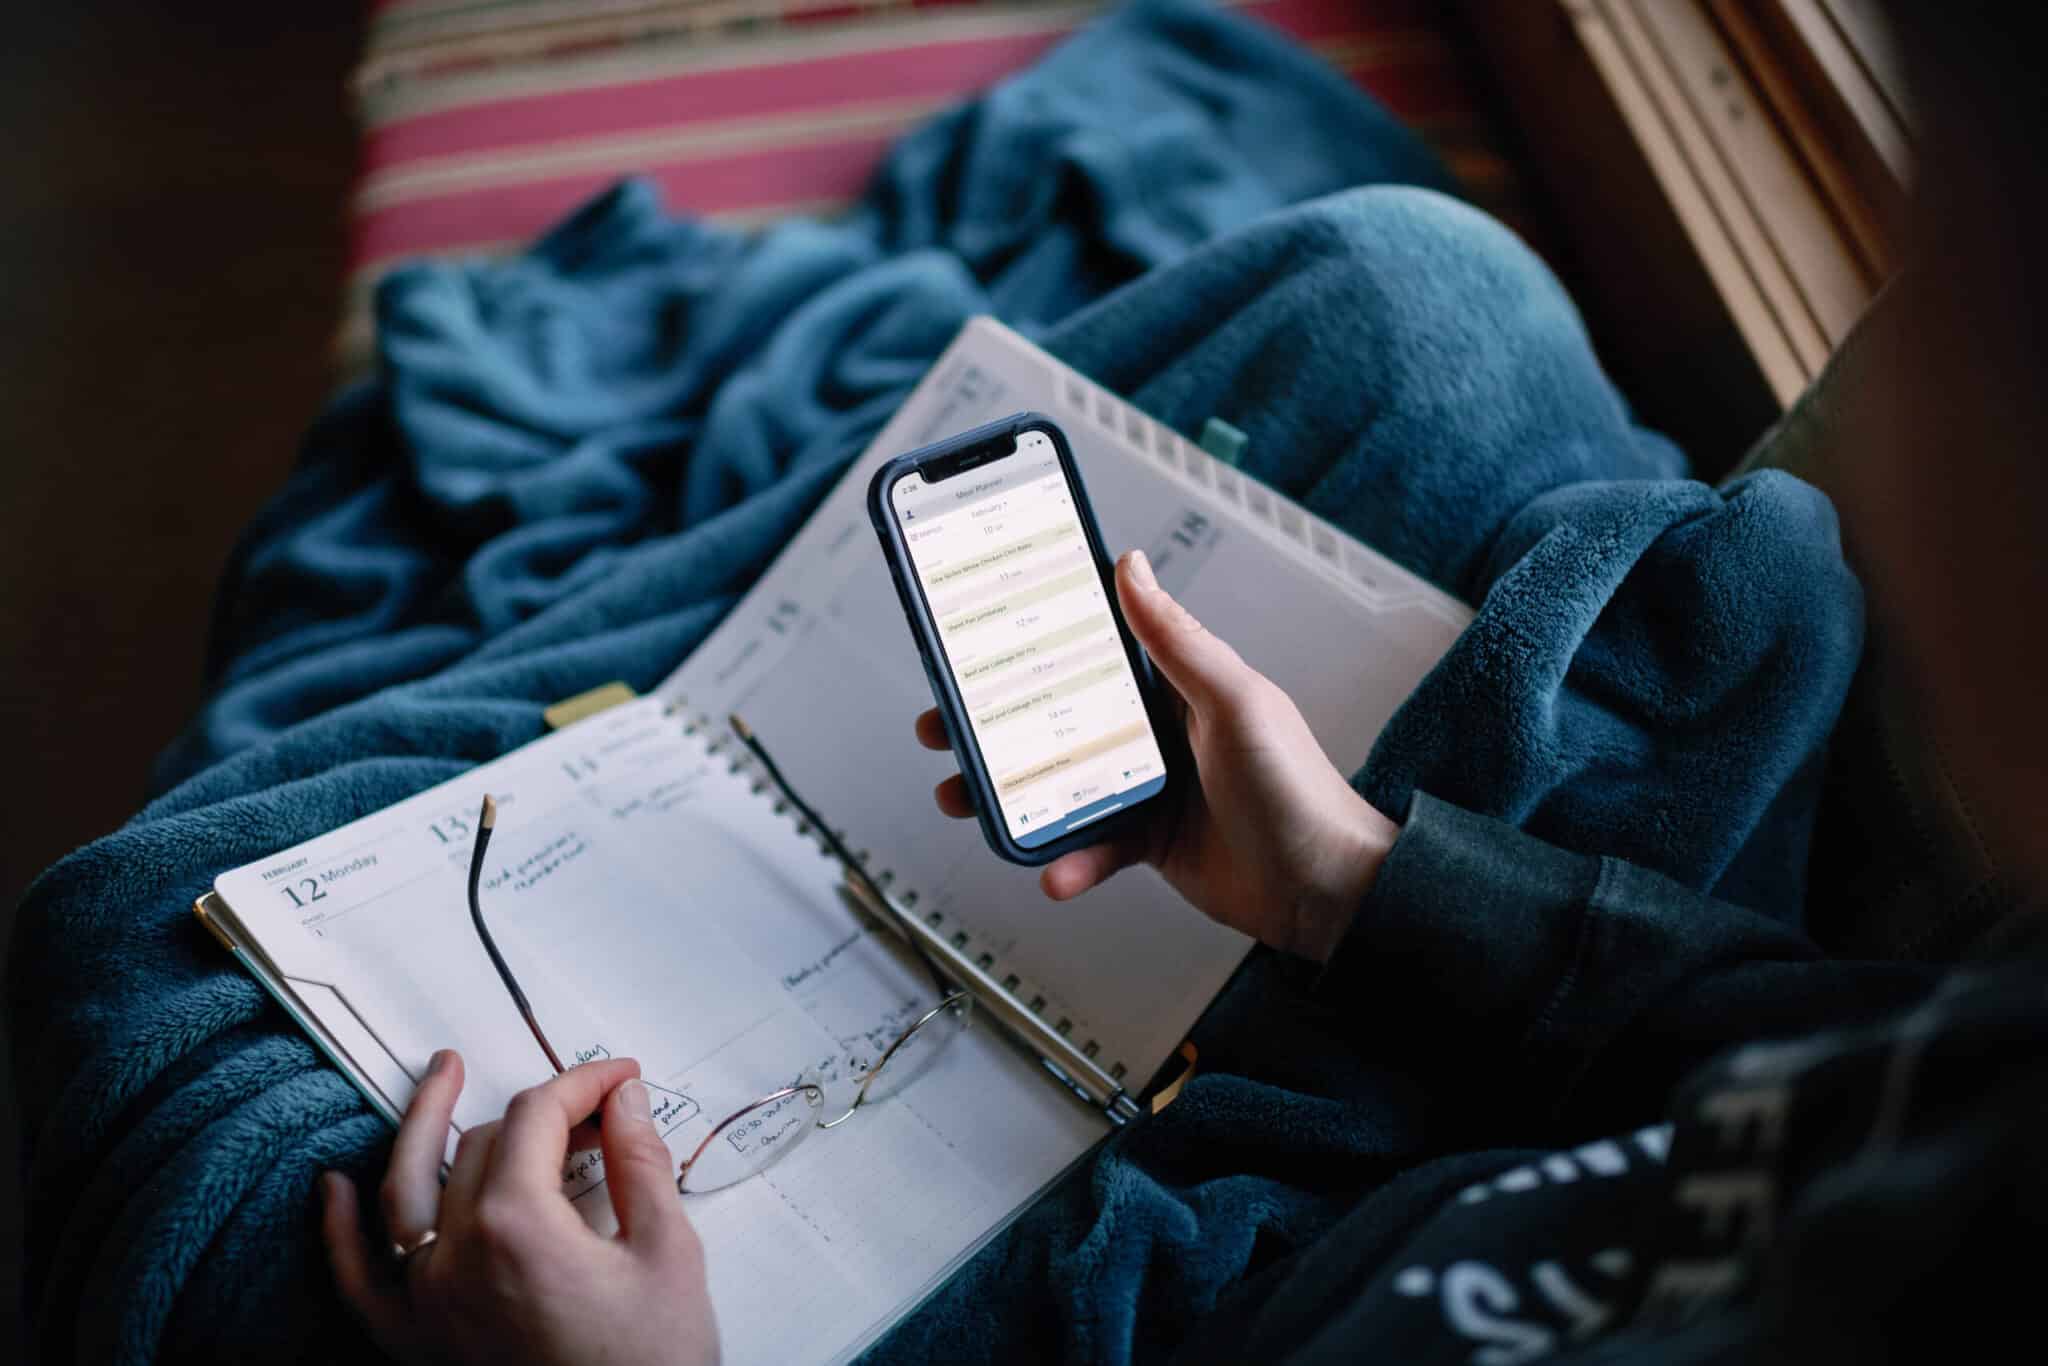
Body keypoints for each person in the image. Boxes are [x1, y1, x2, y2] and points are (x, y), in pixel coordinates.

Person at [317, 5, 2048, 1362]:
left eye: (1946, 307)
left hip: (1118, 1276)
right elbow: (1833, 1039)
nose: (1880, 435)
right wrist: (1365, 885)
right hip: (1440, 1066)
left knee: (141, 985)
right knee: (1425, 291)